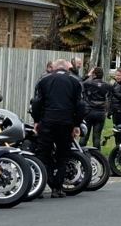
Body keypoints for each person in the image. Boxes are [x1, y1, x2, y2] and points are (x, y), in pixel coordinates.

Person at [30, 59, 85, 198]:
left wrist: (36, 120)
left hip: (47, 120)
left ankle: (40, 187)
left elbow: (37, 102)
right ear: (68, 68)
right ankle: (57, 188)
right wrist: (77, 124)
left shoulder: (44, 80)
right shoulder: (75, 81)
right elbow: (80, 105)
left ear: (53, 67)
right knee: (62, 154)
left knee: (43, 153)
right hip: (66, 121)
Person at [81, 68, 112, 148]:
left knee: (84, 135)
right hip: (101, 111)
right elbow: (110, 97)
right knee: (97, 136)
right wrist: (107, 109)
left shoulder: (88, 83)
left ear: (93, 74)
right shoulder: (107, 85)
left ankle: (81, 154)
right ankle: (97, 155)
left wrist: (87, 75)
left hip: (89, 110)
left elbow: (79, 82)